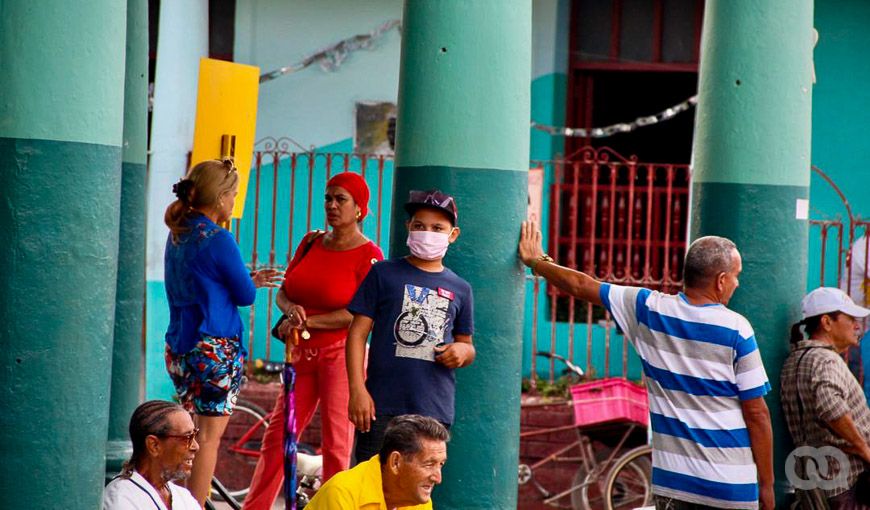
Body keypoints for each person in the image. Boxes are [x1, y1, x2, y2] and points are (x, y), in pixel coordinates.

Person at [518, 222, 774, 510]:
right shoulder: (737, 329)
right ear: (721, 280)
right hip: (731, 486)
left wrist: (536, 261)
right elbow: (757, 414)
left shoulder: (647, 309)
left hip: (675, 485)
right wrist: (766, 484)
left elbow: (581, 285)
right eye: (736, 276)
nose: (737, 284)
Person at [243, 172, 384, 509]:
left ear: (360, 209)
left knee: (336, 444)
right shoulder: (310, 242)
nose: (332, 205)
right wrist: (291, 311)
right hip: (300, 353)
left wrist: (312, 320)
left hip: (340, 354)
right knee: (278, 437)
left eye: (341, 199)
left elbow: (361, 313)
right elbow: (284, 292)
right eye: (328, 198)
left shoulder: (369, 255)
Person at [163, 159, 282, 505]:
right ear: (220, 198)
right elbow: (243, 296)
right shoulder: (219, 238)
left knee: (188, 436)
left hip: (180, 347)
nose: (234, 202)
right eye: (233, 195)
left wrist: (247, 280)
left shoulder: (178, 234)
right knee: (208, 441)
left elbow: (204, 283)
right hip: (215, 347)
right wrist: (250, 283)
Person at [347, 190, 475, 462]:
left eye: (437, 228)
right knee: (370, 486)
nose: (427, 233)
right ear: (408, 228)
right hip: (379, 406)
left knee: (418, 488)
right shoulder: (383, 273)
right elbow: (357, 334)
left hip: (433, 410)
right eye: (419, 225)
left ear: (453, 234)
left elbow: (467, 345)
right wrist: (358, 390)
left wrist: (461, 353)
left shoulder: (461, 289)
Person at [781, 287, 870, 508]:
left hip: (816, 483)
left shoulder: (795, 360)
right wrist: (864, 449)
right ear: (826, 322)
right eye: (850, 319)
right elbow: (831, 409)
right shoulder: (826, 360)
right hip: (847, 484)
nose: (857, 326)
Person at [306, 414, 449, 510]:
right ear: (395, 462)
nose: (438, 478)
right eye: (429, 464)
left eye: (441, 465)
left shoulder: (418, 500)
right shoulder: (342, 494)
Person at [102, 401, 201, 509]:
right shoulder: (120, 499)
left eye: (195, 435)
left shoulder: (183, 496)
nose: (196, 447)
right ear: (154, 445)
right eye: (187, 438)